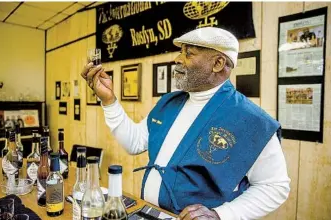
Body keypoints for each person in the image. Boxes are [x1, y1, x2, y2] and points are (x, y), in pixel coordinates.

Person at [81, 27, 290, 220]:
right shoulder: (169, 102)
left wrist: (220, 215)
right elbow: (135, 142)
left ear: (217, 63)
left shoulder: (252, 120)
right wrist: (108, 101)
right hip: (151, 213)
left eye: (188, 53)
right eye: (181, 52)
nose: (177, 59)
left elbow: (275, 186)